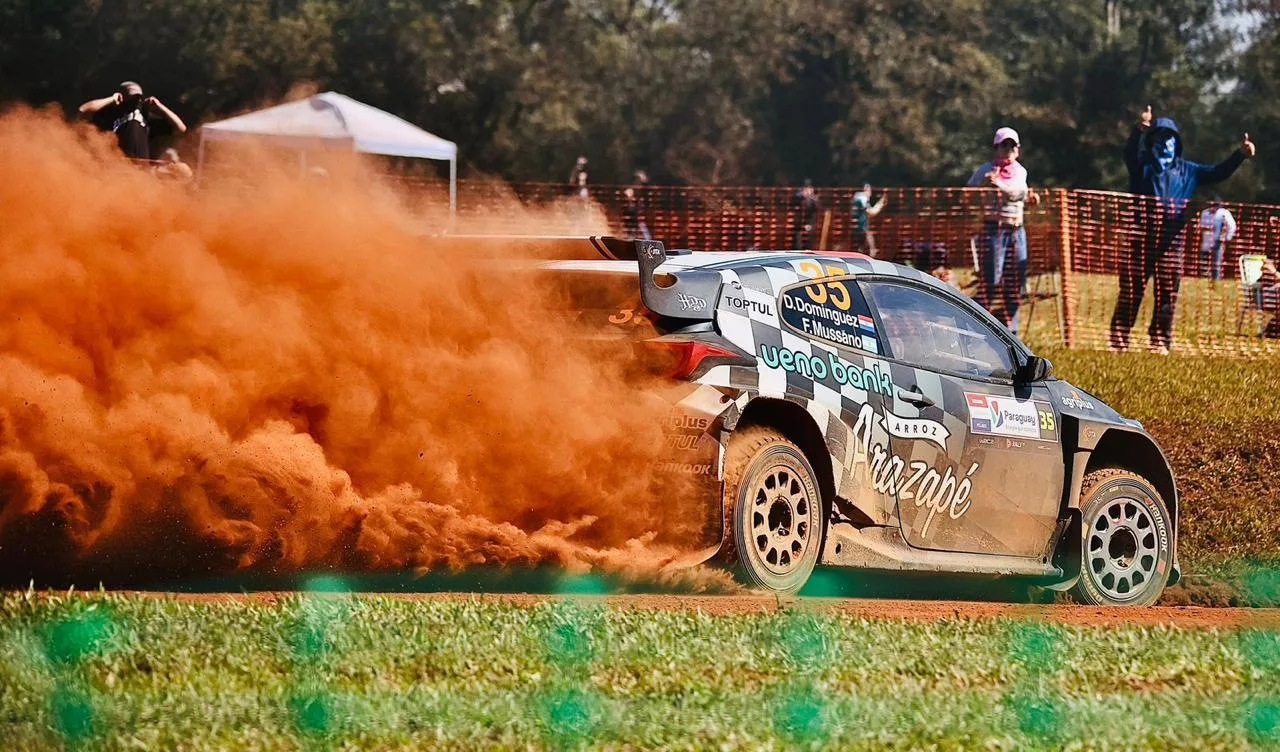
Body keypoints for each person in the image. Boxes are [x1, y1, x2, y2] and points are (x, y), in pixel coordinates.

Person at [1109, 105, 1254, 354]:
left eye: (1170, 138)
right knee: (1131, 290)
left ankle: (1159, 341)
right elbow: (1129, 153)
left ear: (1177, 142)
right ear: (1152, 141)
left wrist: (1239, 155)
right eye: (1159, 138)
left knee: (1167, 293)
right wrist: (1139, 129)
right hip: (1141, 238)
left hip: (1171, 242)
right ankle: (1119, 339)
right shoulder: (1142, 166)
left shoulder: (1189, 170)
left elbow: (1218, 173)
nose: (1165, 143)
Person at [966, 127, 1037, 331]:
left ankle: (1010, 333)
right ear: (996, 148)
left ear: (1018, 149)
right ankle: (975, 328)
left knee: (1015, 284)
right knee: (991, 282)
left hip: (1017, 232)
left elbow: (1019, 194)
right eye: (1004, 145)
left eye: (1012, 145)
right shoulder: (985, 170)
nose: (1008, 149)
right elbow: (966, 196)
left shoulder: (1021, 171)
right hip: (993, 231)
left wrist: (1031, 198)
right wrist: (983, 185)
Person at [78, 81, 187, 160]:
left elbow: (181, 128)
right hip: (117, 166)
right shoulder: (111, 114)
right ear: (122, 97)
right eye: (132, 98)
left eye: (139, 98)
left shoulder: (147, 118)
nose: (137, 101)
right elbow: (83, 111)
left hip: (141, 169)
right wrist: (112, 99)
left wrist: (160, 107)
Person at [1197, 198, 1236, 281]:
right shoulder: (1205, 213)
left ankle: (1216, 281)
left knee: (1216, 264)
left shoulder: (1224, 213)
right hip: (1206, 242)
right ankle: (1204, 280)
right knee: (1204, 263)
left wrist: (1227, 238)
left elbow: (1232, 226)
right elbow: (1201, 226)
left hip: (1218, 241)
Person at [851, 183, 888, 255]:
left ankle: (862, 250)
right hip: (859, 219)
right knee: (867, 233)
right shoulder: (862, 198)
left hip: (859, 218)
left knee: (864, 234)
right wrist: (880, 205)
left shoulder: (860, 197)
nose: (870, 193)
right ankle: (872, 250)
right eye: (869, 191)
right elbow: (869, 211)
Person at [792, 179, 820, 249]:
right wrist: (803, 195)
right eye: (806, 188)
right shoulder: (799, 196)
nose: (807, 190)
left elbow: (815, 208)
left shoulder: (813, 199)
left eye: (809, 188)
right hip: (800, 222)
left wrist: (810, 196)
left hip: (810, 221)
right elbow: (796, 198)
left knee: (810, 235)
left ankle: (809, 248)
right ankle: (798, 248)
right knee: (798, 235)